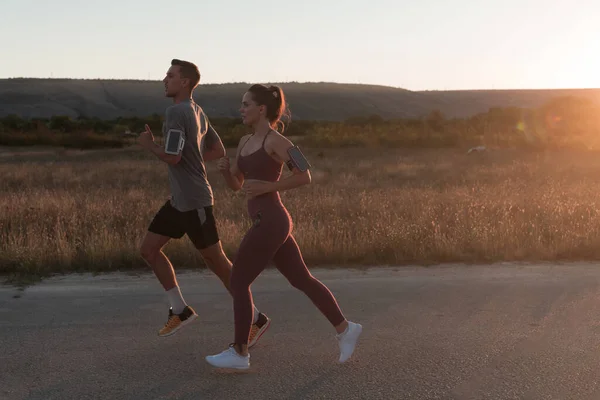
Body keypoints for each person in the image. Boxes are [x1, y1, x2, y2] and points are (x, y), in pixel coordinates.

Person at [205, 84, 362, 370]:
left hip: (272, 220)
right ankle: (345, 329)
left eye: (245, 104)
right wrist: (228, 172)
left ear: (261, 109)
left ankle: (240, 352)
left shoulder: (278, 142)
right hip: (266, 221)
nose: (240, 109)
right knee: (301, 280)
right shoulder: (243, 142)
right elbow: (238, 185)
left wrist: (270, 185)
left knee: (238, 280)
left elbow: (305, 175)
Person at [137, 59, 271, 346]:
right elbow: (217, 150)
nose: (165, 79)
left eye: (170, 76)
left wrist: (150, 146)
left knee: (218, 263)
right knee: (148, 250)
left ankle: (256, 318)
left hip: (195, 201)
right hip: (180, 201)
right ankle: (180, 310)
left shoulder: (176, 112)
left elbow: (173, 157)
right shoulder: (198, 112)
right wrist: (192, 158)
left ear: (184, 82)